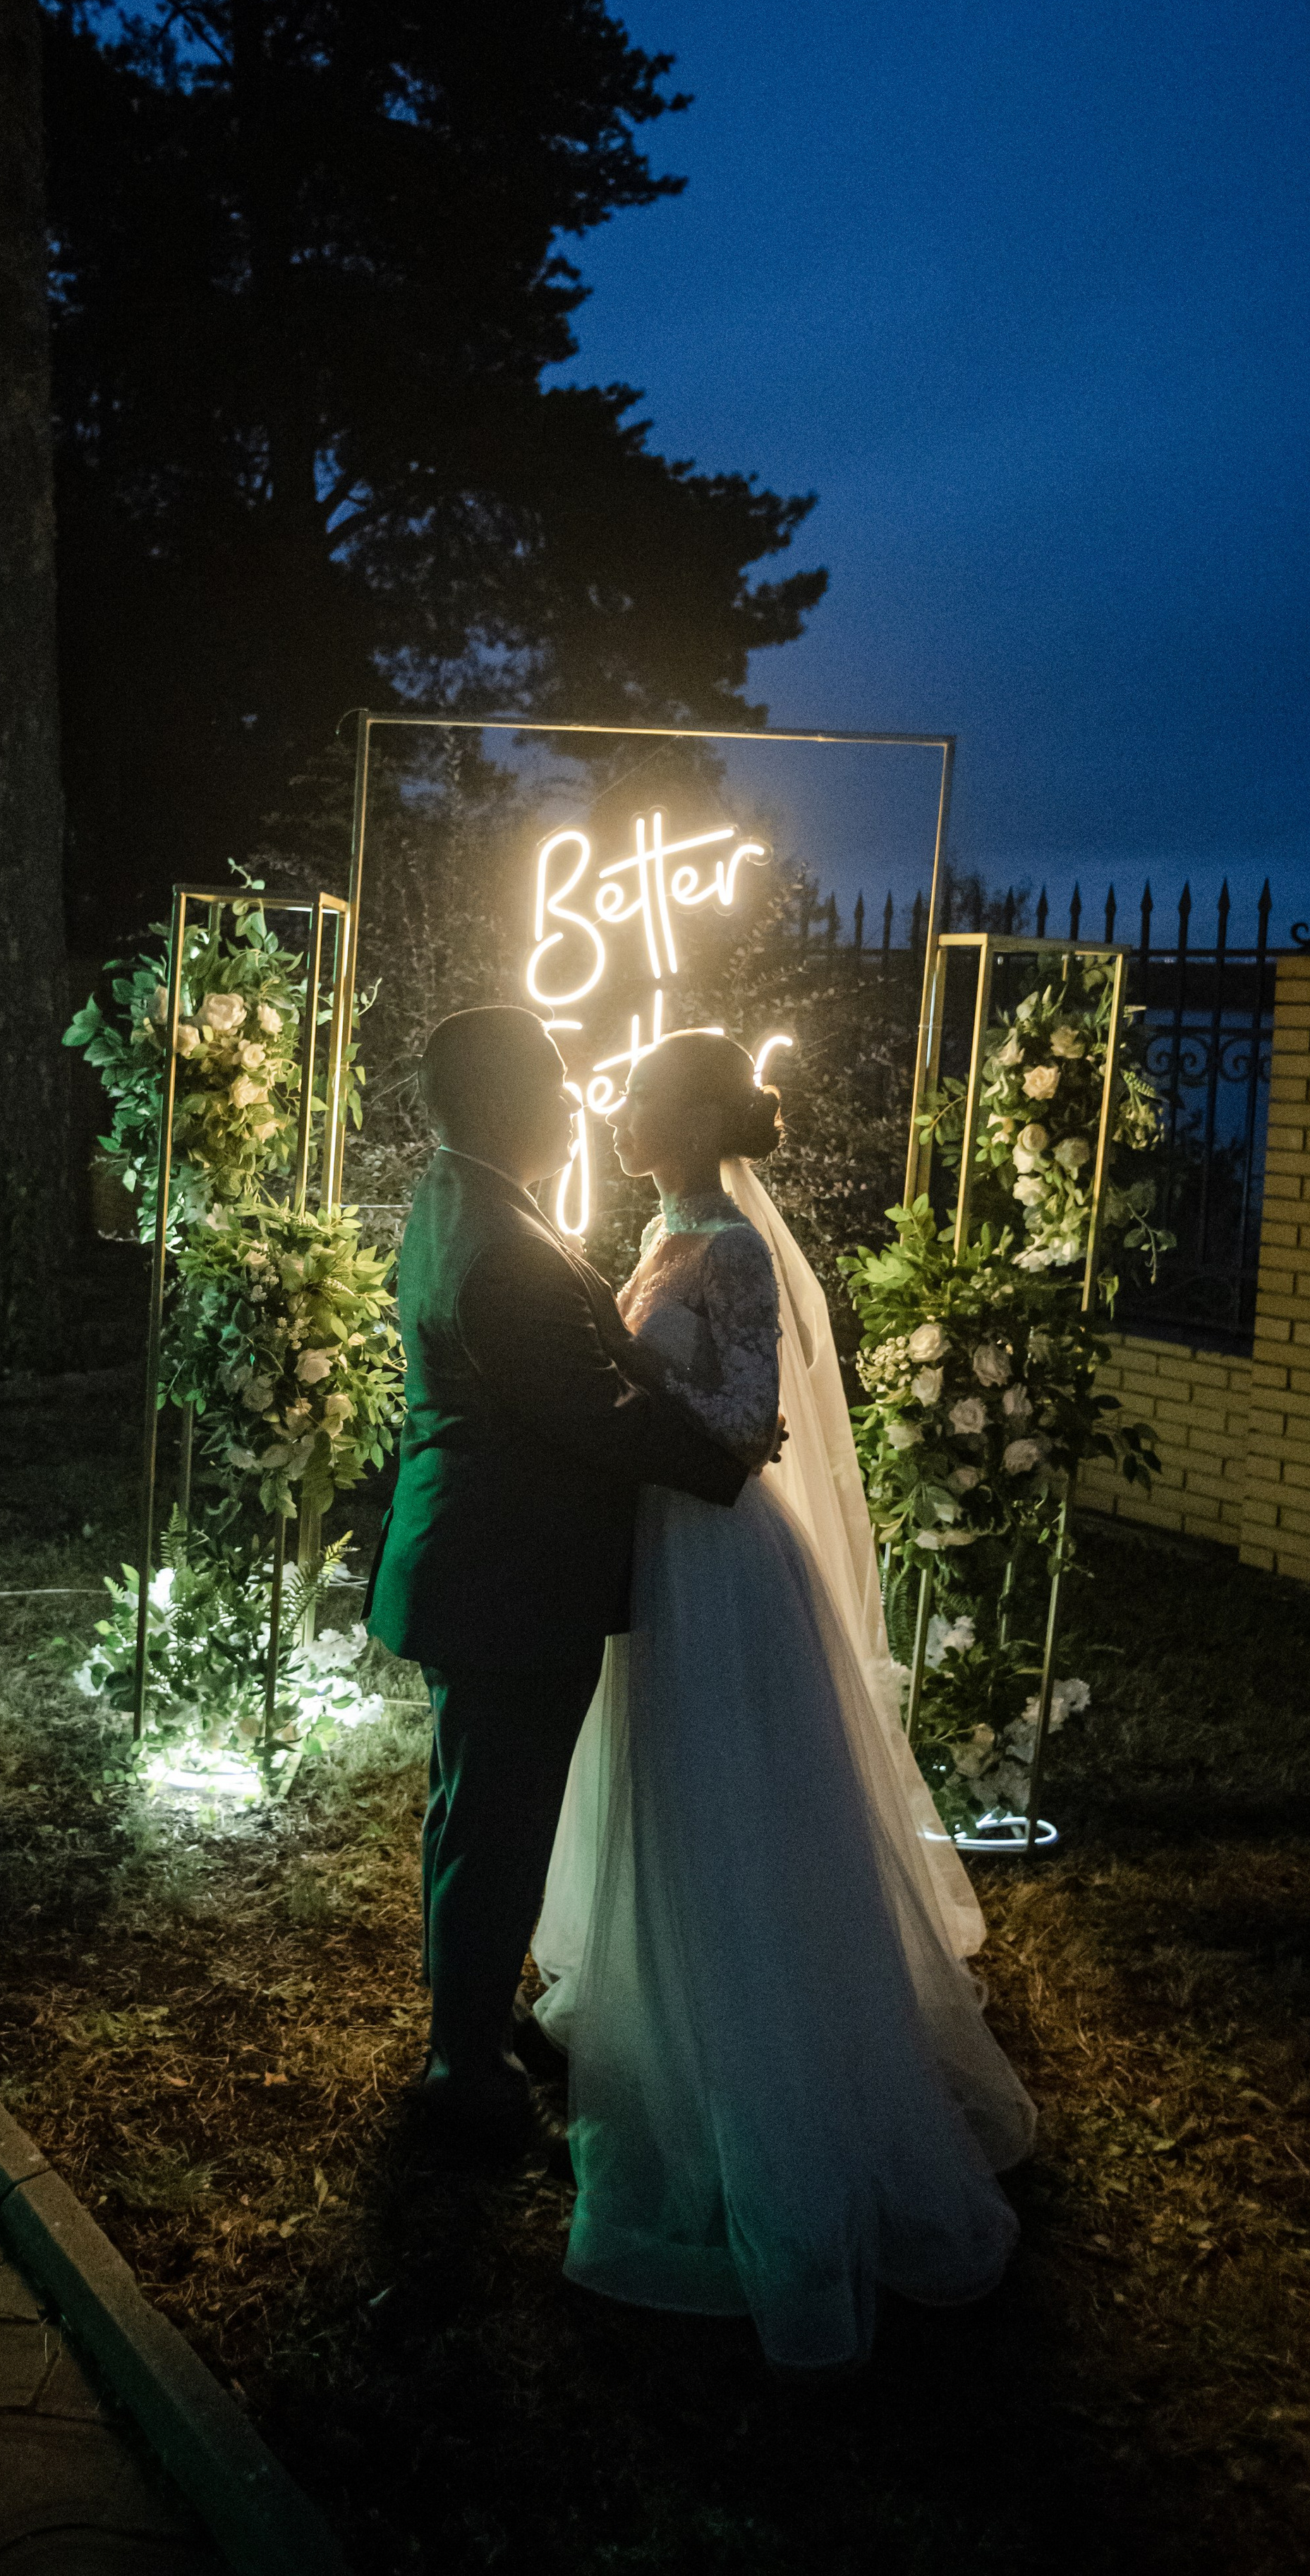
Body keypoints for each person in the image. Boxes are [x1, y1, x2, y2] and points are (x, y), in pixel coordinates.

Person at [533, 1029, 1036, 2371]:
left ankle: (767, 2072)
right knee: (670, 1794)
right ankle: (674, 2015)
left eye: (644, 1095)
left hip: (718, 1561)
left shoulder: (737, 1251)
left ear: (699, 1118)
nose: (620, 1110)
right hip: (661, 1545)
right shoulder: (667, 1229)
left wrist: (628, 1372)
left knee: (733, 1802)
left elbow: (746, 1421)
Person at [364, 1006, 749, 2162]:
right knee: (497, 1828)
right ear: (504, 1104)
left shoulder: (460, 1198)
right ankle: (464, 2076)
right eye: (556, 1086)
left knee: (470, 1814)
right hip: (511, 1580)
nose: (577, 1106)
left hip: (477, 1565)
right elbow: (596, 1412)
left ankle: (466, 2028)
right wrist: (728, 1461)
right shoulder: (506, 1249)